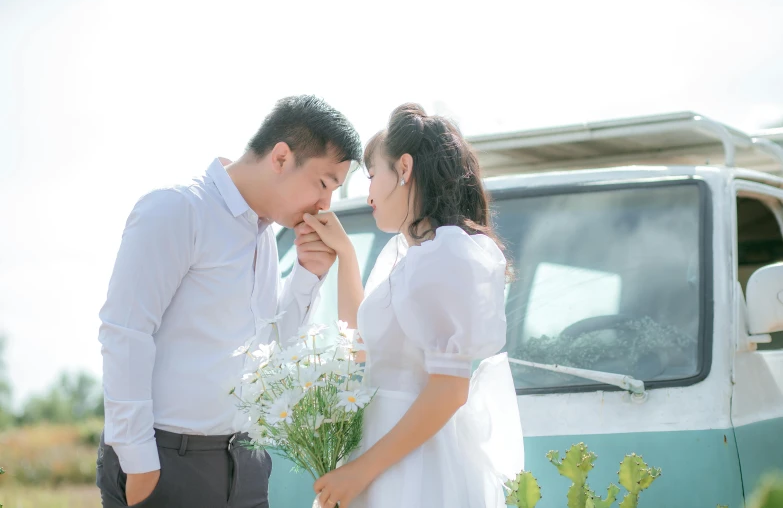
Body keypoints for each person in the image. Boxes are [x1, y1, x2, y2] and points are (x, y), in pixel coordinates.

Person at [96, 95, 362, 508]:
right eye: (324, 183)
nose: (326, 204)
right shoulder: (178, 209)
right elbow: (125, 332)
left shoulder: (264, 236)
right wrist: (139, 462)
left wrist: (309, 275)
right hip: (166, 462)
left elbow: (268, 354)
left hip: (246, 464)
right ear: (280, 157)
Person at [300, 103, 525, 508]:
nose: (367, 193)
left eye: (372, 176)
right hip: (385, 451)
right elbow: (361, 346)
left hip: (414, 463)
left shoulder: (449, 253)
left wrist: (361, 471)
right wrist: (346, 255)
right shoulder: (409, 255)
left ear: (403, 168)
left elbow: (450, 390)